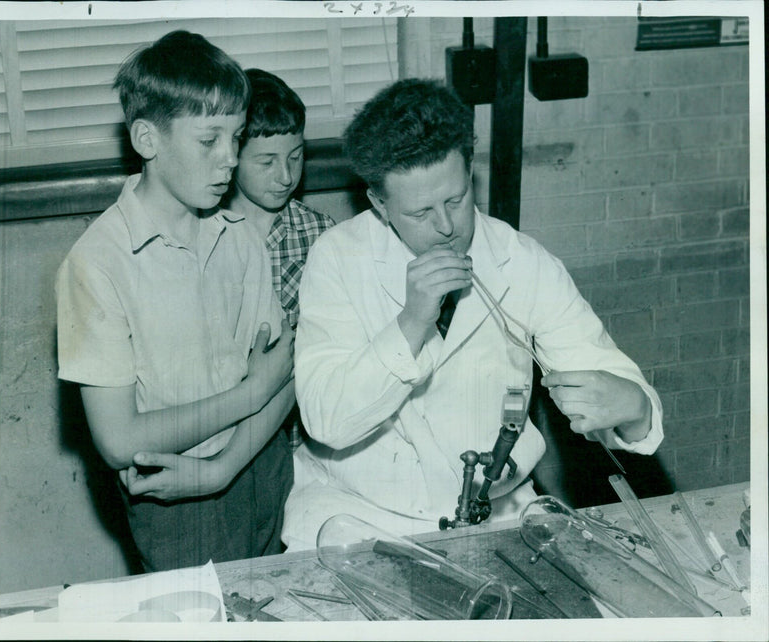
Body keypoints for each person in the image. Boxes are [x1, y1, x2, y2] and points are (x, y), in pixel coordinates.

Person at [282, 78, 664, 551]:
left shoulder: (522, 262)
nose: (446, 227)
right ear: (379, 205)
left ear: (470, 173)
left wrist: (633, 408)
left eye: (456, 200)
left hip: (496, 513)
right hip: (359, 518)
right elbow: (327, 421)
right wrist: (411, 323)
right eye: (420, 213)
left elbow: (614, 381)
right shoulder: (337, 259)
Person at [56, 31, 296, 572]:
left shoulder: (240, 237)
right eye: (209, 140)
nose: (230, 159)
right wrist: (250, 393)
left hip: (260, 464)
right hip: (174, 497)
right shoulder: (97, 264)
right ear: (147, 138)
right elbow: (120, 442)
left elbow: (286, 374)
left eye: (236, 137)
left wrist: (228, 461)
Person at [230, 68, 335, 447]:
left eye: (295, 156)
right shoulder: (207, 234)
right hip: (224, 429)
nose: (286, 176)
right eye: (266, 162)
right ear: (231, 155)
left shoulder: (320, 234)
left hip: (302, 435)